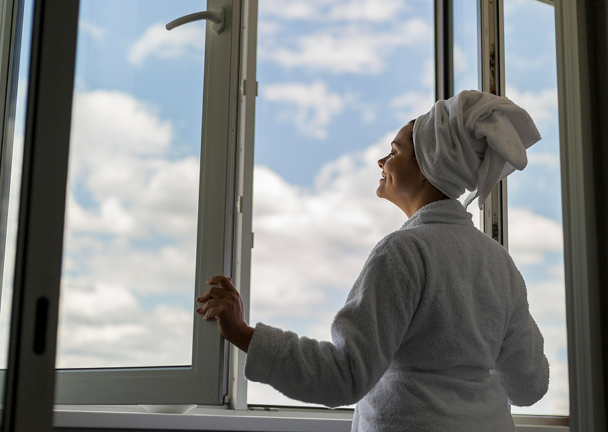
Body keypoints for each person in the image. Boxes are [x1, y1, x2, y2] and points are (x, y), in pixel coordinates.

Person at [195, 90, 550, 431]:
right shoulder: (500, 264)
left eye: (394, 152)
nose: (382, 161)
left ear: (429, 166)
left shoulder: (403, 252)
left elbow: (344, 376)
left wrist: (242, 333)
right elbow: (529, 384)